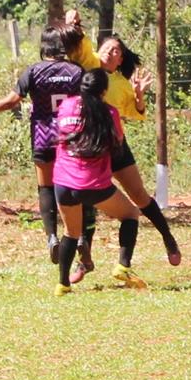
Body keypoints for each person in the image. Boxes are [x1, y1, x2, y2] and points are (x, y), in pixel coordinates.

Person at [64, 10, 180, 284]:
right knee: (84, 200)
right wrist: (73, 23)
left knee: (139, 196)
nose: (110, 51)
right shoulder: (87, 63)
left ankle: (168, 238)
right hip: (87, 146)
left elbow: (137, 113)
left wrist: (139, 97)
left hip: (114, 145)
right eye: (107, 47)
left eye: (116, 51)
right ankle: (85, 261)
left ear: (120, 60)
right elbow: (76, 42)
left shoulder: (121, 84)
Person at [0, 25, 83, 262]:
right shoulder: (76, 71)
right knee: (76, 186)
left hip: (44, 138)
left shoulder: (33, 72)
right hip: (71, 137)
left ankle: (52, 238)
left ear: (43, 48)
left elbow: (10, 102)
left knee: (45, 187)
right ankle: (79, 239)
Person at [52, 69, 142, 296]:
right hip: (93, 184)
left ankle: (62, 285)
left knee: (71, 232)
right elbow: (118, 142)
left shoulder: (66, 106)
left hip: (62, 183)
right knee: (131, 214)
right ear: (104, 90)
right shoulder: (108, 112)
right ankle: (123, 266)